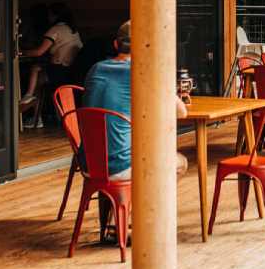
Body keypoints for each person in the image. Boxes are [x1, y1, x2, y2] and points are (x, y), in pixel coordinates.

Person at [81, 21, 189, 181]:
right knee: (181, 162)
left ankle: (118, 205)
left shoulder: (95, 68)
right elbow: (181, 112)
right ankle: (139, 206)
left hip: (88, 164)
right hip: (120, 167)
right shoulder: (143, 71)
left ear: (116, 44)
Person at [22, 2, 83, 105]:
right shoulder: (73, 29)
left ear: (55, 16)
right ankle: (38, 113)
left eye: (49, 15)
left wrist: (20, 52)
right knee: (40, 79)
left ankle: (29, 96)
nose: (48, 18)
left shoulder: (55, 30)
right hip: (72, 68)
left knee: (35, 69)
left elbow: (39, 52)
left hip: (59, 69)